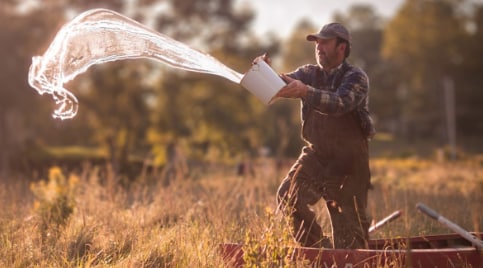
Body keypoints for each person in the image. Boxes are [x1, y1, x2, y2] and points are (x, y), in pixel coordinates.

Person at [254, 22, 375, 249]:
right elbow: (278, 85)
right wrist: (263, 72)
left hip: (349, 162)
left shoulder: (357, 78)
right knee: (288, 196)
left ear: (342, 47)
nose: (318, 46)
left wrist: (306, 91)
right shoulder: (308, 73)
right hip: (317, 155)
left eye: (325, 42)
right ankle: (320, 252)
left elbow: (340, 103)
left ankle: (345, 257)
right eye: (316, 42)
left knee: (350, 241)